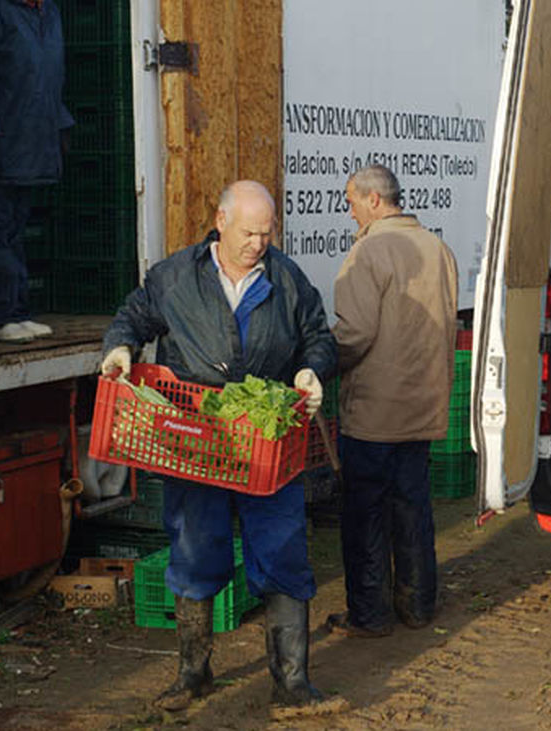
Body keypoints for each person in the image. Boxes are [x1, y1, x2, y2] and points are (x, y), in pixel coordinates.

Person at [100, 181, 342, 719]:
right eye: (249, 232)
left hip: (267, 443)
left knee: (282, 551)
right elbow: (134, 317)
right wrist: (119, 348)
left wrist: (312, 369)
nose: (259, 242)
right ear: (221, 221)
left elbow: (318, 337)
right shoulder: (176, 277)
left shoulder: (287, 279)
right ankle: (193, 674)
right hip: (195, 441)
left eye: (267, 232)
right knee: (194, 549)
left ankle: (293, 683)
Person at [325, 165, 458, 638]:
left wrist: (321, 361)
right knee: (414, 508)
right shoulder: (437, 249)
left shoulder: (368, 252)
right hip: (423, 407)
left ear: (374, 200)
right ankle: (419, 605)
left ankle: (370, 614)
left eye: (351, 201)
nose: (349, 210)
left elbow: (355, 334)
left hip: (375, 414)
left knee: (365, 516)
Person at [0, 0, 73, 343]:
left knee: (14, 229)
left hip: (33, 141)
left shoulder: (48, 12)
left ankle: (15, 310)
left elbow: (52, 76)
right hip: (2, 139)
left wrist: (60, 125)